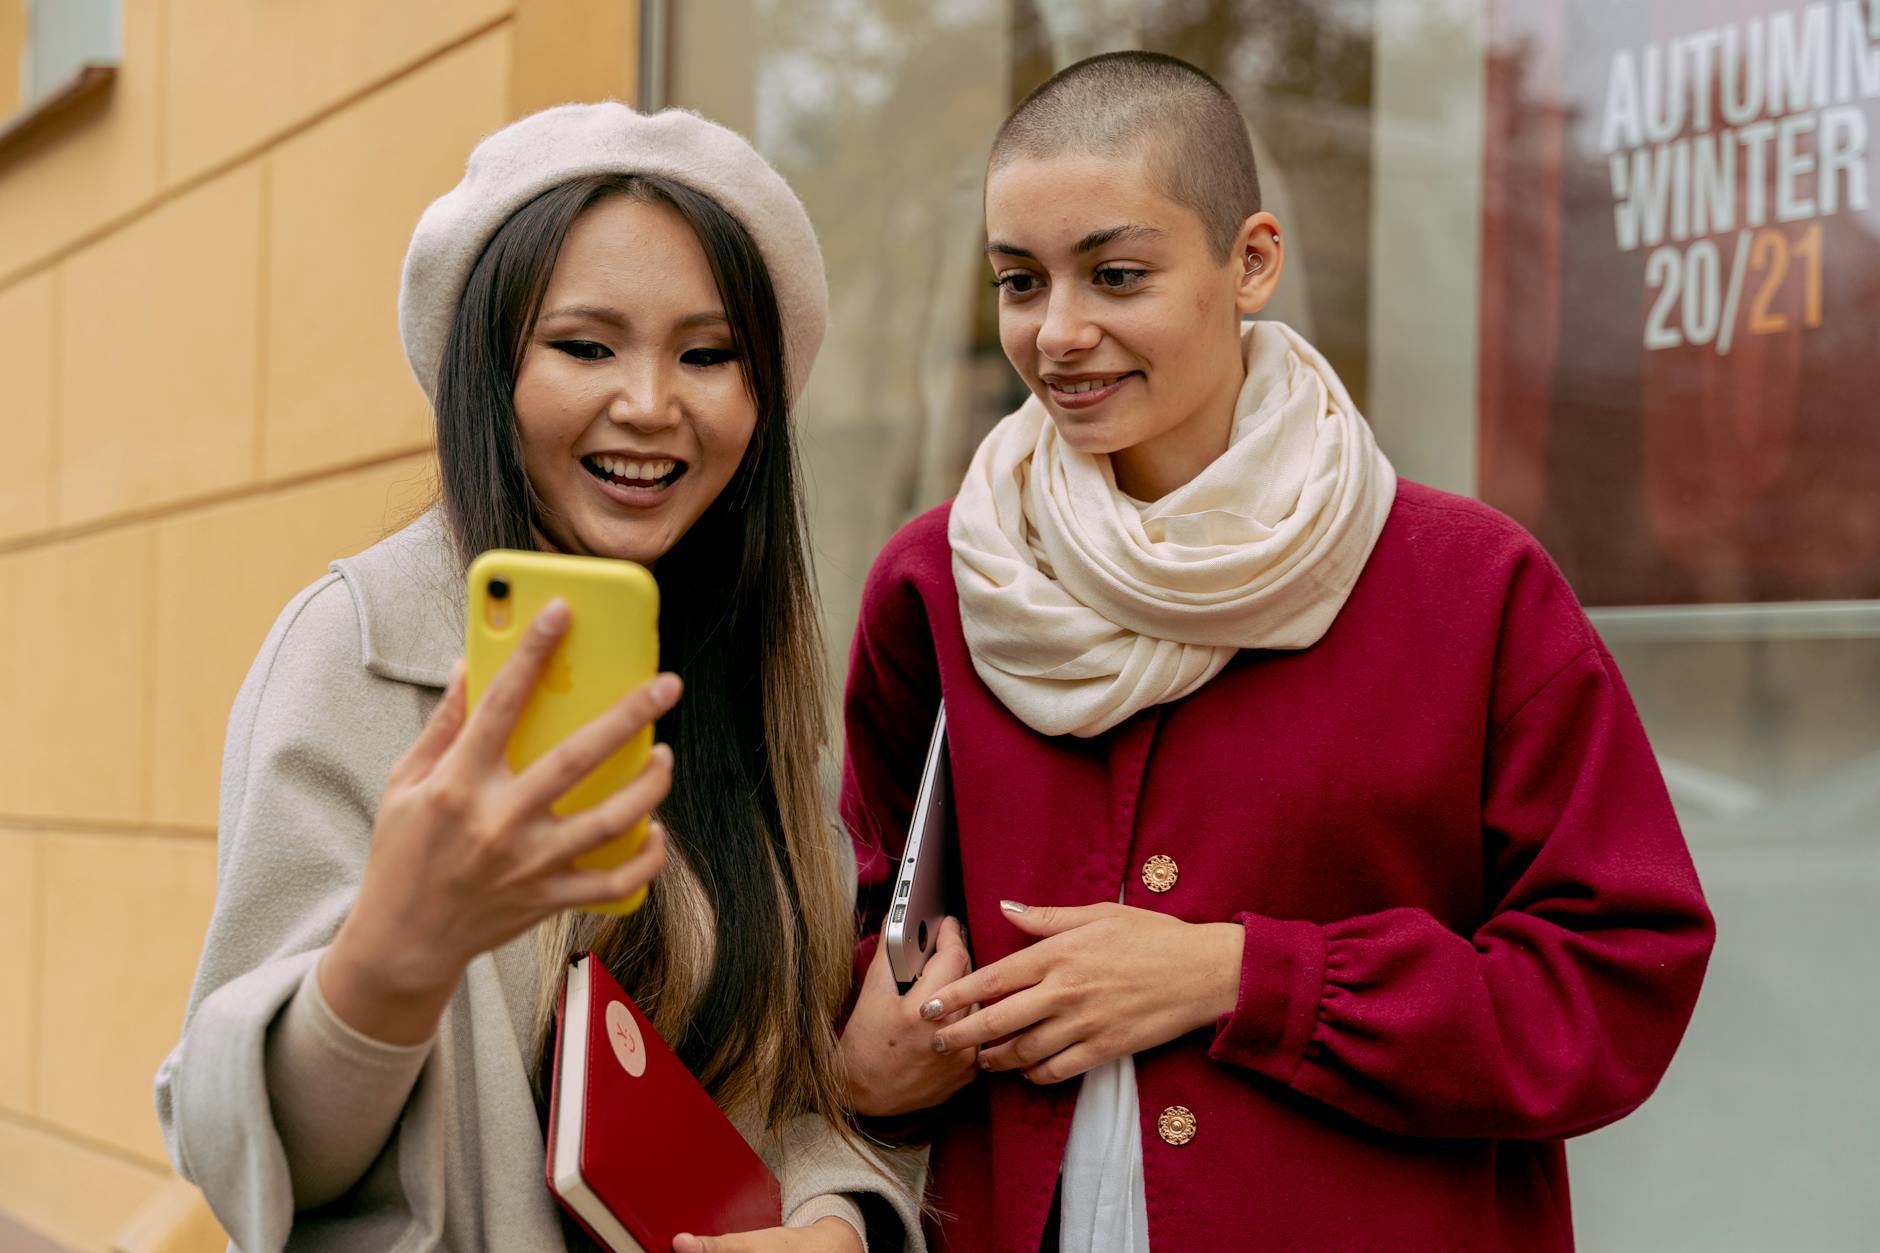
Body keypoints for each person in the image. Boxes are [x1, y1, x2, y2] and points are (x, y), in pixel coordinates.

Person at [836, 52, 1715, 1252]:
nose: (1058, 331)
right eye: (1017, 281)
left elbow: (1615, 980)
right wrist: (867, 1042)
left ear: (1248, 260)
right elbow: (857, 906)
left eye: (1116, 273)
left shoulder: (1471, 587)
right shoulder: (939, 583)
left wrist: (1243, 976)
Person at [155, 103, 920, 1252]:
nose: (652, 403)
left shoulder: (744, 690)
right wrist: (392, 959)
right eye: (585, 345)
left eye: (708, 355)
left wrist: (833, 1222)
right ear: (490, 368)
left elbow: (770, 1096)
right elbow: (252, 1164)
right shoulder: (356, 651)